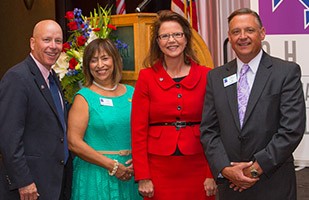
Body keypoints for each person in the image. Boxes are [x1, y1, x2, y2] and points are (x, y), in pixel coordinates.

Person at [200, 8, 306, 200]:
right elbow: (209, 130)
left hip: (273, 183)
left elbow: (292, 129)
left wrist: (255, 169)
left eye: (249, 30)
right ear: (229, 37)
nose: (242, 37)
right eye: (235, 32)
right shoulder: (216, 77)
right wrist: (225, 168)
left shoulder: (285, 72)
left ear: (262, 33)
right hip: (230, 185)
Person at [131, 10, 217, 200]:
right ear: (158, 42)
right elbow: (138, 130)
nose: (172, 40)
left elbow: (215, 127)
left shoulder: (207, 76)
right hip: (158, 169)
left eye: (177, 34)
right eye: (165, 36)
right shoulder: (146, 77)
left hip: (198, 165)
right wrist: (143, 176)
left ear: (186, 38)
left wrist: (212, 173)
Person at [0, 20, 72, 200]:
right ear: (33, 43)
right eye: (47, 40)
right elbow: (9, 138)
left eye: (58, 41)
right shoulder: (17, 78)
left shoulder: (52, 77)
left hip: (53, 182)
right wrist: (23, 181)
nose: (53, 46)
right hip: (29, 187)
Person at [67, 38, 141, 200]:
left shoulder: (132, 93)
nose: (100, 65)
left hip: (131, 175)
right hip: (96, 175)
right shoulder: (83, 98)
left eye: (105, 58)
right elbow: (73, 142)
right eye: (93, 60)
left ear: (115, 60)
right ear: (88, 66)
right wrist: (112, 165)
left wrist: (139, 160)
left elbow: (144, 131)